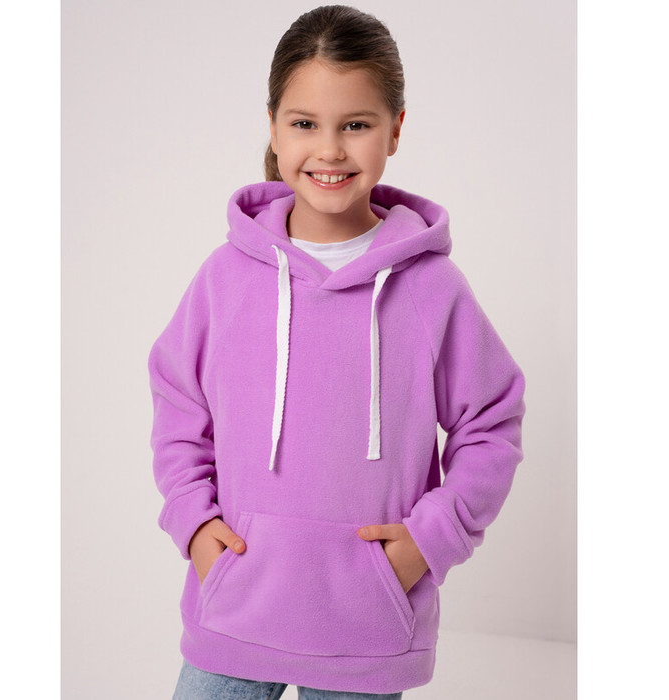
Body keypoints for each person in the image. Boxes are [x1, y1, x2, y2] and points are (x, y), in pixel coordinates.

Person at [148, 5, 526, 699]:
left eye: (355, 125)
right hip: (235, 612)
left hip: (367, 629)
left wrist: (430, 540)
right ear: (272, 126)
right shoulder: (226, 277)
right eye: (304, 124)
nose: (329, 150)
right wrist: (193, 520)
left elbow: (491, 423)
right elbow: (178, 401)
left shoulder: (430, 288)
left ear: (395, 130)